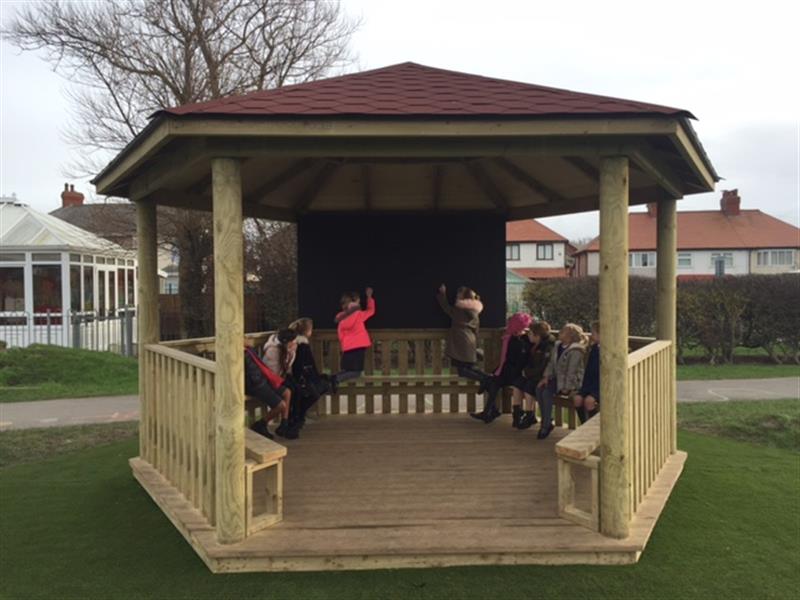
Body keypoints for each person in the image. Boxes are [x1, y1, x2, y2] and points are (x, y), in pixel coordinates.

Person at [471, 312, 533, 424]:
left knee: (491, 382)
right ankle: (490, 410)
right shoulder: (515, 338)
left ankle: (489, 411)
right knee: (491, 381)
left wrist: (499, 372)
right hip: (509, 370)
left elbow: (512, 360)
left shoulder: (519, 340)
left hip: (515, 372)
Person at [536, 323, 587, 439]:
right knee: (539, 389)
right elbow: (551, 364)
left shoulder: (576, 351)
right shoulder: (557, 346)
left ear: (570, 336)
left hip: (571, 382)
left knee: (546, 393)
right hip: (557, 379)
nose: (560, 333)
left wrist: (567, 388)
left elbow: (572, 371)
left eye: (563, 331)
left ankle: (545, 426)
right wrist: (546, 377)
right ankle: (547, 421)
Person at [436, 284, 489, 387]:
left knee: (462, 371)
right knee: (470, 367)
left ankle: (486, 380)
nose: (456, 297)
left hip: (461, 340)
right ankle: (488, 378)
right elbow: (477, 329)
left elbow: (447, 308)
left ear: (464, 297)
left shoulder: (460, 309)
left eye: (458, 295)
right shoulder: (474, 311)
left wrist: (442, 295)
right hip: (470, 340)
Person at [244, 345, 298, 440]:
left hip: (263, 379)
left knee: (287, 392)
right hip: (256, 385)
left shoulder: (249, 349)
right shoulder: (239, 353)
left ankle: (284, 425)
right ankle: (260, 424)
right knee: (281, 406)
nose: (246, 338)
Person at [510, 320, 556, 430]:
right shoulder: (534, 345)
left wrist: (527, 373)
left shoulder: (547, 347)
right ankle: (517, 412)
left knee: (529, 387)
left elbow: (543, 367)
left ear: (537, 336)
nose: (528, 335)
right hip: (531, 374)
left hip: (541, 377)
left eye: (530, 333)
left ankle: (530, 414)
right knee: (517, 384)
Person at [288, 317, 332, 428]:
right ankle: (299, 414)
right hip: (303, 379)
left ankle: (299, 414)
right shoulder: (302, 345)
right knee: (320, 389)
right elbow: (305, 365)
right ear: (307, 331)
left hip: (297, 377)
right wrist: (315, 377)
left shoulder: (294, 342)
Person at [332, 287, 376, 389]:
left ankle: (333, 378)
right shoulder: (359, 315)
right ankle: (335, 379)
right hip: (359, 346)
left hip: (347, 347)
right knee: (356, 373)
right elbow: (371, 311)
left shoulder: (340, 316)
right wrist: (369, 298)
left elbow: (340, 332)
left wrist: (344, 342)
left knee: (346, 370)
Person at [574, 320, 600, 423]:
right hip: (589, 382)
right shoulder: (593, 348)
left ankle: (593, 427)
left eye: (593, 333)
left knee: (589, 401)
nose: (591, 335)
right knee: (577, 399)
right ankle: (584, 424)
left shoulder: (608, 350)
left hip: (599, 385)